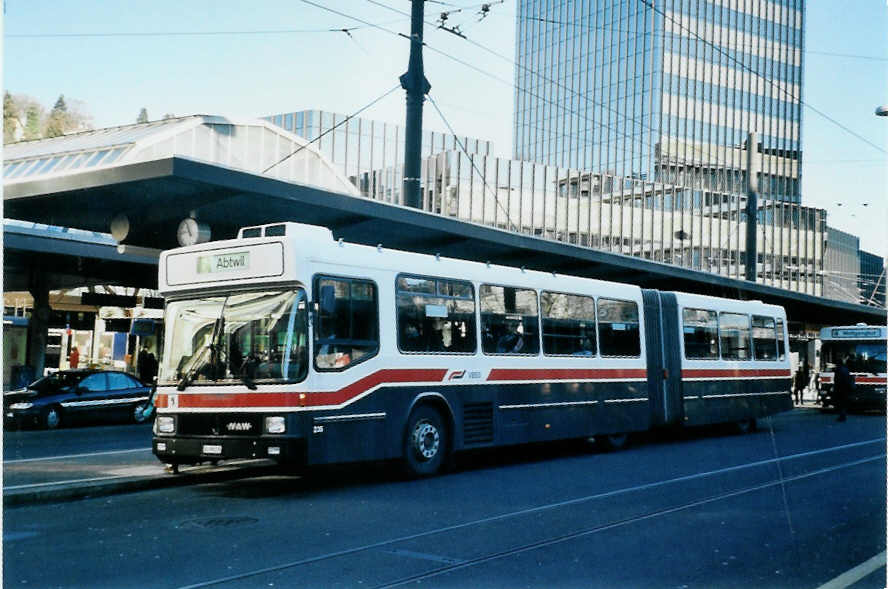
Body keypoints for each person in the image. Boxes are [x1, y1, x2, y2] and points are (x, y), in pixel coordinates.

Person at [833, 355, 853, 422]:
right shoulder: (846, 369)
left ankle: (842, 416)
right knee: (843, 403)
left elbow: (837, 380)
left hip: (840, 388)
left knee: (840, 403)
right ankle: (843, 415)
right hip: (845, 388)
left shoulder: (838, 370)